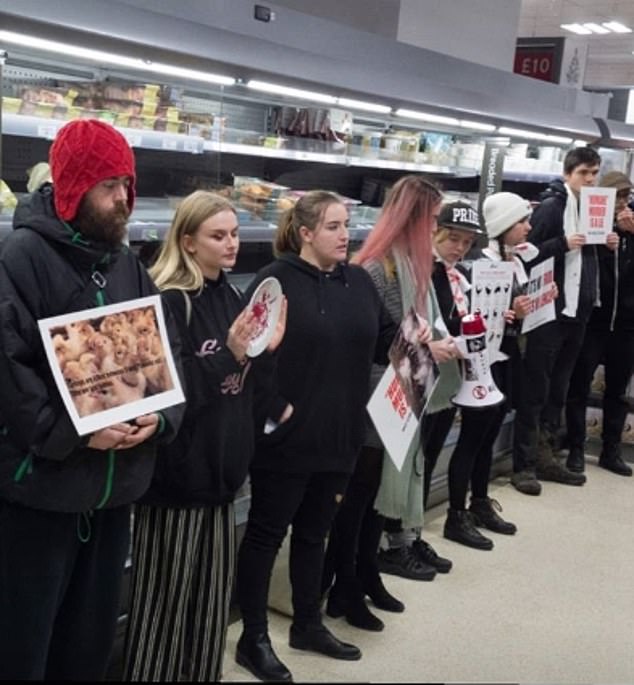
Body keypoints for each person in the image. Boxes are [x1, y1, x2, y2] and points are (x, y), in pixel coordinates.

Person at [0, 119, 183, 680]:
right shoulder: (20, 258)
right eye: (109, 187)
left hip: (114, 489)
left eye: (127, 184)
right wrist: (76, 431)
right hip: (43, 492)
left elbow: (162, 354)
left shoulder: (125, 262)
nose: (123, 199)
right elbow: (9, 371)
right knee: (24, 641)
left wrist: (161, 415)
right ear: (76, 188)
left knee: (90, 640)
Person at [234, 190, 398, 683]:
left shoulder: (359, 283)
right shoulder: (274, 282)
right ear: (305, 233)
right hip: (285, 439)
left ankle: (308, 623)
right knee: (266, 536)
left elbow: (385, 341)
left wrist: (426, 345)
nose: (345, 234)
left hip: (341, 435)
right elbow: (247, 355)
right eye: (332, 226)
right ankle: (253, 637)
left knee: (314, 533)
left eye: (347, 224)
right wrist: (271, 411)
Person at [122, 191, 287, 681]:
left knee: (208, 610)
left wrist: (265, 352)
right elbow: (167, 394)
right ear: (188, 241)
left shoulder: (232, 295)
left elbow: (242, 387)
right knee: (163, 613)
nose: (232, 244)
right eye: (219, 236)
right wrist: (231, 353)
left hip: (221, 480)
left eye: (234, 233)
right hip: (175, 484)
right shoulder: (168, 302)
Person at [321, 175, 439, 632]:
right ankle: (346, 584)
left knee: (372, 496)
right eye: (429, 219)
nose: (433, 228)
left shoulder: (407, 265)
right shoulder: (375, 268)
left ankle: (364, 573)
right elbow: (369, 340)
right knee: (358, 496)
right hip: (378, 396)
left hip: (400, 390)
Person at [511, 147, 619, 495]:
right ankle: (523, 465)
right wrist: (562, 243)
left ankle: (547, 456)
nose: (591, 179)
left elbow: (587, 255)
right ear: (568, 172)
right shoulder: (552, 207)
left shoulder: (593, 208)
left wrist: (608, 244)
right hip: (549, 314)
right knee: (536, 390)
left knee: (558, 389)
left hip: (579, 312)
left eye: (595, 173)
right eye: (585, 173)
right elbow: (525, 255)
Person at [430, 202, 518, 550]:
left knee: (477, 434)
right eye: (453, 238)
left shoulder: (461, 275)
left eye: (466, 242)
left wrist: (500, 317)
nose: (459, 247)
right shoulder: (428, 274)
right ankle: (412, 533)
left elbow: (467, 320)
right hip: (433, 379)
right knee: (428, 453)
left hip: (466, 373)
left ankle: (470, 507)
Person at [565, 171, 634, 477]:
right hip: (594, 322)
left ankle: (611, 450)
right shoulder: (592, 227)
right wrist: (605, 236)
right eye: (615, 197)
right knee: (579, 385)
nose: (621, 204)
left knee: (617, 391)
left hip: (627, 325)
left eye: (625, 197)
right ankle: (576, 449)